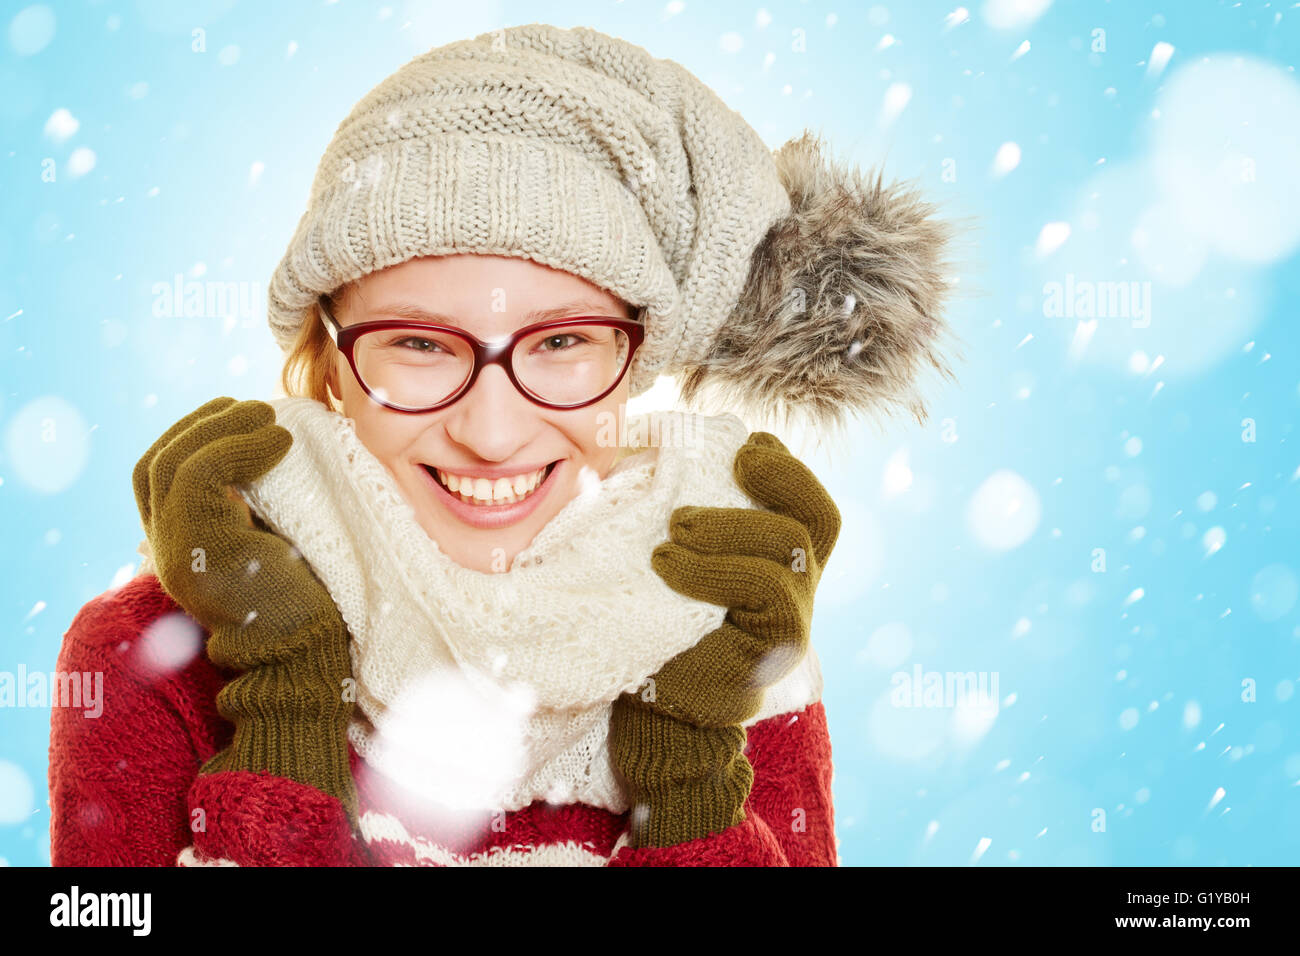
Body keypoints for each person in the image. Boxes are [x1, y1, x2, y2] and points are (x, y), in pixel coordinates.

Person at [48, 23, 958, 867]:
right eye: (417, 344)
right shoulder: (152, 651)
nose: (490, 432)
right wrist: (289, 713)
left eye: (561, 343)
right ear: (328, 363)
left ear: (632, 364)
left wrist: (689, 787)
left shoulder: (725, 634)